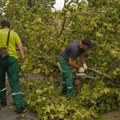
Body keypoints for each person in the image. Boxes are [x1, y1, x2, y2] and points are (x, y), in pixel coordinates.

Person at [0, 20, 25, 113]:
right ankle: (19, 106)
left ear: (1, 26)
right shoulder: (14, 34)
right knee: (14, 81)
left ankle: (3, 102)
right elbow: (20, 47)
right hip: (12, 59)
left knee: (1, 80)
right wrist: (22, 57)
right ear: (9, 26)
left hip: (0, 59)